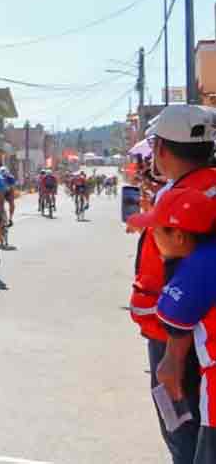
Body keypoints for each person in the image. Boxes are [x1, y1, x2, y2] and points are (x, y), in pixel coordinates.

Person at [129, 105, 216, 463]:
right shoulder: (205, 186)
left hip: (177, 339)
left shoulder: (179, 201)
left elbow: (186, 281)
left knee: (185, 435)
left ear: (162, 149)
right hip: (191, 338)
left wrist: (171, 357)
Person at [138, 189, 216, 463]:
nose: (152, 239)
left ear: (179, 236)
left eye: (156, 232)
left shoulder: (197, 269)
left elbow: (166, 315)